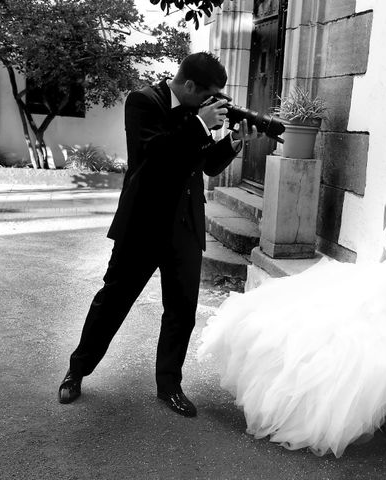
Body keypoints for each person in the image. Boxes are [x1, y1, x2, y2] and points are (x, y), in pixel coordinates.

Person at [197, 151, 386, 456]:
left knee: (343, 346)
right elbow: (385, 259)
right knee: (300, 316)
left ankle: (306, 411)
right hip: (379, 281)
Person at [58, 52, 262, 417]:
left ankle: (169, 386)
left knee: (182, 311)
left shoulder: (197, 115)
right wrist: (200, 124)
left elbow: (207, 165)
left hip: (185, 224)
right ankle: (77, 371)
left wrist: (232, 141)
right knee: (113, 301)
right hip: (143, 224)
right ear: (187, 86)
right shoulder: (143, 101)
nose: (211, 103)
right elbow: (154, 157)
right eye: (207, 95)